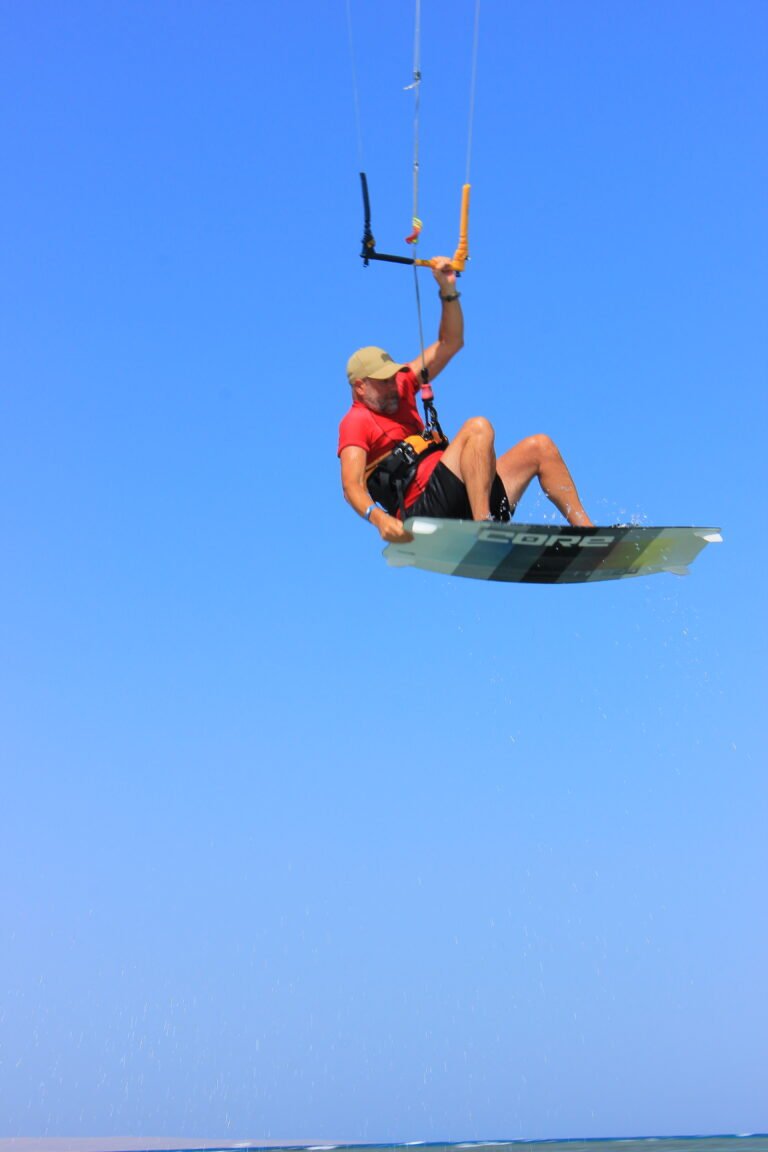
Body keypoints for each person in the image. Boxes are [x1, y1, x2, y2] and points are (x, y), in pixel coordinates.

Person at [338, 256, 593, 544]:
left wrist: (447, 288)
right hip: (421, 514)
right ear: (360, 387)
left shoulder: (403, 385)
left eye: (391, 376)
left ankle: (588, 534)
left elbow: (451, 342)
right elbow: (351, 486)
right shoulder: (355, 422)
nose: (392, 385)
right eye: (382, 381)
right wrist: (378, 518)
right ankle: (483, 527)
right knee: (477, 427)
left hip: (463, 496)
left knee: (540, 447)